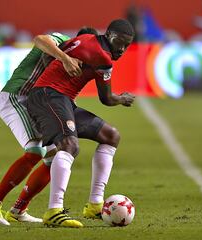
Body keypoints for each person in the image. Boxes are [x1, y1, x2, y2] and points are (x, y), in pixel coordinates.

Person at [0, 28, 99, 226]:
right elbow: (40, 39)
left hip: (38, 104)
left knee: (55, 157)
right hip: (17, 97)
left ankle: (18, 209)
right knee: (35, 150)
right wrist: (63, 58)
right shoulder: (61, 40)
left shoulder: (83, 62)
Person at [27, 19, 135, 228]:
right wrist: (122, 98)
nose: (121, 49)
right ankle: (54, 210)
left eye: (126, 45)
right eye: (118, 42)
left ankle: (95, 204)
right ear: (108, 34)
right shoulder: (103, 58)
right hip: (48, 95)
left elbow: (58, 50)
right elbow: (107, 99)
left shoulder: (86, 38)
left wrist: (63, 61)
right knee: (70, 145)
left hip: (62, 99)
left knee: (111, 136)